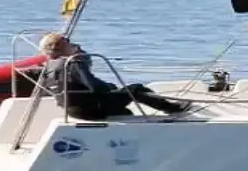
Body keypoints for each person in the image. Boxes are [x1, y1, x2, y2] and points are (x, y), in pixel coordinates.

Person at [38, 33, 191, 119]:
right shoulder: (72, 63)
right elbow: (96, 87)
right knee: (136, 89)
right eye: (68, 42)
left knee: (126, 112)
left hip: (72, 110)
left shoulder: (48, 66)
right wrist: (109, 86)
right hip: (91, 110)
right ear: (63, 46)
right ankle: (174, 109)